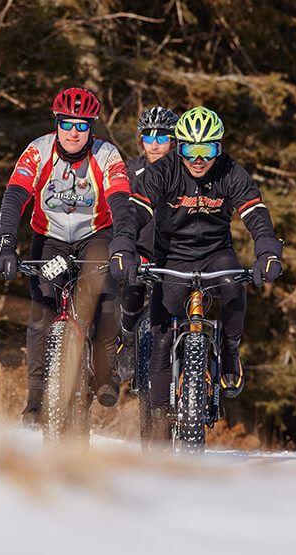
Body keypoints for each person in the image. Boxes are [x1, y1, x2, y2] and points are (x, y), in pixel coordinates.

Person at [107, 106, 283, 440]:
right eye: (190, 150)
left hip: (216, 254)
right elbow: (135, 210)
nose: (198, 160)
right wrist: (123, 244)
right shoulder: (164, 171)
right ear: (180, 147)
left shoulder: (231, 172)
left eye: (208, 150)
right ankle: (156, 433)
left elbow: (256, 213)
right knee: (160, 340)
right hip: (171, 256)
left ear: (219, 148)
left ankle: (230, 352)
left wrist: (268, 251)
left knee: (235, 288)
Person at [0, 86, 133, 427]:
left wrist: (125, 244)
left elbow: (121, 204)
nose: (74, 132)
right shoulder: (37, 152)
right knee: (41, 315)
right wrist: (6, 244)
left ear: (91, 129)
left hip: (95, 237)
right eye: (67, 124)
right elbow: (14, 198)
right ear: (56, 123)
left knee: (106, 300)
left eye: (82, 126)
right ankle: (37, 400)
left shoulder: (106, 155)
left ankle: (103, 373)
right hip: (50, 239)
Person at [115, 106, 180, 378]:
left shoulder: (185, 170)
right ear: (140, 140)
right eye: (149, 137)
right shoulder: (129, 170)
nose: (155, 144)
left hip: (175, 252)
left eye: (162, 137)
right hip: (140, 249)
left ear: (174, 142)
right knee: (132, 290)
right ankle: (128, 340)